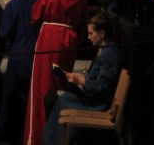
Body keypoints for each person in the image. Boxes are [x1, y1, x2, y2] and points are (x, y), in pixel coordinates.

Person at [24, 0, 88, 145]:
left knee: (43, 84)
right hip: (69, 38)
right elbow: (82, 22)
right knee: (61, 83)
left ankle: (38, 135)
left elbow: (36, 15)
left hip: (50, 35)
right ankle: (57, 134)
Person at [42, 11, 122, 145]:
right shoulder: (103, 48)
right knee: (62, 98)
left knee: (63, 101)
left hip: (98, 103)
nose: (89, 37)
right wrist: (79, 77)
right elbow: (96, 76)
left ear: (102, 34)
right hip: (93, 97)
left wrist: (80, 81)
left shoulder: (110, 52)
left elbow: (103, 85)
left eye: (91, 33)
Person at [0, 0, 39, 145]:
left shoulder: (12, 5)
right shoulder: (39, 0)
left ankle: (11, 137)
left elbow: (5, 32)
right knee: (30, 101)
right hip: (36, 55)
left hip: (17, 56)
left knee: (12, 101)